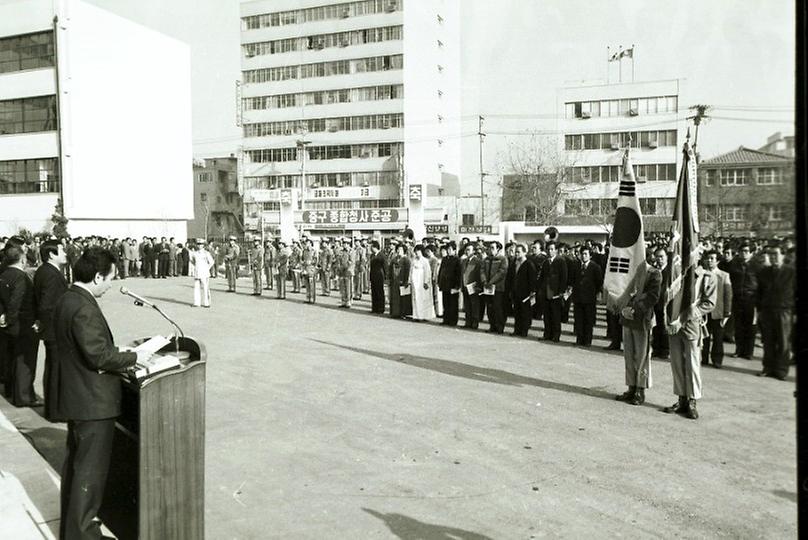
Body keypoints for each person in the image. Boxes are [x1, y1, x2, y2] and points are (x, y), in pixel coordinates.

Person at [51, 247, 151, 540]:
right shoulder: (83, 307)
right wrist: (134, 356)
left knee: (77, 469)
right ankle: (83, 533)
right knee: (89, 473)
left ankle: (74, 530)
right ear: (97, 276)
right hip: (92, 402)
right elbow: (97, 356)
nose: (110, 284)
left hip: (79, 396)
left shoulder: (68, 298)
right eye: (110, 278)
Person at [663, 263, 717, 420]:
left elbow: (709, 303)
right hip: (674, 324)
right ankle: (681, 398)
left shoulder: (707, 276)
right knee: (677, 363)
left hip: (691, 324)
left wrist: (689, 314)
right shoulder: (675, 273)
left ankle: (692, 400)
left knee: (692, 364)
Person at [614, 257, 662, 406]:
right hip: (626, 318)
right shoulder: (627, 269)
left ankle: (640, 389)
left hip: (641, 320)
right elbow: (620, 290)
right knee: (628, 355)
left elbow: (653, 296)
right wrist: (623, 309)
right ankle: (631, 386)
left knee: (642, 356)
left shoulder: (654, 273)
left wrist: (635, 309)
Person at [0, 245, 40, 406]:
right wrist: (10, 318)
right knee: (25, 361)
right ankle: (23, 397)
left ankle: (11, 390)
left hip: (9, 325)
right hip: (23, 323)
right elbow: (16, 300)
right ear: (22, 259)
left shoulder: (3, 274)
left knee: (11, 359)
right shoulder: (21, 277)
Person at [32, 239, 68, 419]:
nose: (65, 253)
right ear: (52, 254)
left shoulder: (45, 271)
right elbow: (47, 305)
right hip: (55, 330)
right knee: (57, 370)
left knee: (53, 368)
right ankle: (55, 412)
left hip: (50, 329)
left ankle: (52, 409)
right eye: (62, 250)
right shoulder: (52, 274)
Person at [755, 244, 794, 380]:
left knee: (783, 342)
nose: (773, 257)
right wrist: (759, 310)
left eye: (775, 254)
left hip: (784, 311)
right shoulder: (764, 272)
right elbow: (759, 293)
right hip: (767, 311)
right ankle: (768, 368)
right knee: (768, 341)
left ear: (783, 256)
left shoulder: (791, 272)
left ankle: (781, 371)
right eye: (770, 255)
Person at [701, 250, 732, 369]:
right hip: (704, 311)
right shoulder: (702, 274)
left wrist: (727, 313)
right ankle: (704, 358)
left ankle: (717, 360)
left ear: (717, 261)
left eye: (712, 259)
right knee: (705, 337)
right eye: (708, 258)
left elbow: (728, 295)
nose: (709, 261)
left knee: (718, 338)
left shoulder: (724, 276)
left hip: (718, 311)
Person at [728, 242, 757, 359]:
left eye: (746, 251)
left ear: (751, 253)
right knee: (738, 326)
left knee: (751, 327)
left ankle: (749, 352)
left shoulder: (756, 266)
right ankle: (739, 350)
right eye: (741, 251)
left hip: (751, 299)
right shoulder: (734, 265)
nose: (743, 253)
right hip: (737, 298)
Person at [571, 246, 603, 347]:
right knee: (579, 320)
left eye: (586, 254)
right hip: (578, 298)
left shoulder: (595, 267)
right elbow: (572, 280)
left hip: (589, 299)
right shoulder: (576, 266)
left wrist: (594, 293)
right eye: (582, 254)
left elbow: (599, 282)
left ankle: (587, 340)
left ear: (590, 256)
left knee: (588, 321)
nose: (584, 256)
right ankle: (579, 339)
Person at [540, 241, 567, 342]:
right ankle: (547, 334)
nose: (550, 251)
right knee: (547, 314)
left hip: (556, 292)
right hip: (546, 291)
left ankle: (556, 335)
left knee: (556, 315)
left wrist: (561, 291)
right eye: (548, 249)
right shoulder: (546, 262)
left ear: (556, 250)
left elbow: (564, 277)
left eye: (552, 249)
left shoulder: (561, 261)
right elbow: (542, 277)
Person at [509, 244, 537, 337]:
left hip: (525, 293)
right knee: (517, 312)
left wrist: (532, 291)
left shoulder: (529, 264)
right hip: (516, 292)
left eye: (518, 252)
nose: (516, 253)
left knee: (525, 313)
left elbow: (532, 279)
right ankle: (517, 329)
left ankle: (524, 331)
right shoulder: (514, 263)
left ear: (524, 252)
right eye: (516, 251)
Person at [480, 241, 508, 334]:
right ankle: (492, 326)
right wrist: (484, 281)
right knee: (490, 307)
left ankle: (500, 327)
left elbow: (501, 272)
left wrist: (491, 282)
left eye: (492, 248)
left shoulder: (503, 259)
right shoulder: (486, 259)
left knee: (498, 308)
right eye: (489, 248)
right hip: (487, 287)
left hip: (498, 288)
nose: (490, 250)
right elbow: (482, 270)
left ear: (498, 249)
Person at [651, 248, 671, 359]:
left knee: (664, 328)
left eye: (662, 256)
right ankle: (656, 348)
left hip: (666, 303)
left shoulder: (670, 271)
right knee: (656, 327)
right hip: (655, 303)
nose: (659, 259)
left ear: (666, 257)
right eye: (657, 256)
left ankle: (665, 350)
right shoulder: (654, 270)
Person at [437, 242, 462, 326]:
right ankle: (446, 319)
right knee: (446, 303)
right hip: (445, 285)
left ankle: (453, 321)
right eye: (447, 249)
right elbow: (441, 271)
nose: (448, 251)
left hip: (453, 285)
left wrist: (457, 285)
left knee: (453, 304)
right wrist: (439, 281)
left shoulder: (457, 260)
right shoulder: (444, 259)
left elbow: (458, 274)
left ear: (454, 250)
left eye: (450, 249)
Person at [410, 245, 435, 321]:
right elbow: (411, 271)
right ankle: (416, 315)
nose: (416, 253)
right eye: (415, 251)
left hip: (421, 282)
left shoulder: (425, 261)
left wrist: (426, 282)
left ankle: (424, 316)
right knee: (415, 298)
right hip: (415, 283)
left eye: (418, 251)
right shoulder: (414, 260)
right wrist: (410, 280)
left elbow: (428, 272)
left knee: (423, 299)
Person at [461, 243, 481, 329]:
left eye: (469, 249)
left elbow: (479, 274)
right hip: (465, 286)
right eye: (466, 249)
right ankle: (468, 322)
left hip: (473, 285)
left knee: (474, 305)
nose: (467, 251)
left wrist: (478, 285)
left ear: (473, 251)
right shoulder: (464, 261)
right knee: (467, 305)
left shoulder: (477, 261)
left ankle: (475, 323)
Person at [189, 239, 214, 308]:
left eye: (201, 244)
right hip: (197, 272)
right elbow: (192, 261)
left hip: (204, 273)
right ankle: (197, 302)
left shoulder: (206, 253)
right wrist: (196, 267)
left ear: (203, 245)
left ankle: (206, 303)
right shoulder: (195, 253)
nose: (200, 246)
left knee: (205, 288)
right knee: (196, 288)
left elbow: (211, 262)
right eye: (198, 244)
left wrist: (207, 268)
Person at [369, 241, 386, 314]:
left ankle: (380, 308)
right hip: (373, 276)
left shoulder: (382, 255)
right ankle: (374, 308)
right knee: (374, 292)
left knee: (379, 292)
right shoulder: (372, 255)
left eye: (371, 247)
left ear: (375, 247)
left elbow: (385, 266)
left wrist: (386, 277)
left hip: (379, 276)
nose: (370, 248)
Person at [336, 238, 354, 308]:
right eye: (343, 243)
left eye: (345, 243)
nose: (344, 245)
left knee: (348, 287)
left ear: (348, 244)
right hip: (341, 271)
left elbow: (351, 261)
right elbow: (338, 260)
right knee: (342, 287)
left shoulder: (351, 251)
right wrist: (339, 267)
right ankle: (343, 301)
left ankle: (348, 301)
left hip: (348, 271)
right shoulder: (341, 251)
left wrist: (345, 267)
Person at [302, 239, 318, 304]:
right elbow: (302, 259)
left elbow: (316, 260)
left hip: (311, 269)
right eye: (306, 243)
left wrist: (311, 262)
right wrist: (303, 263)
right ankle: (308, 297)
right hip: (305, 269)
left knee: (311, 284)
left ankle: (312, 298)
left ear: (311, 244)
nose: (307, 245)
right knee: (307, 284)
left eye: (308, 243)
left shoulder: (314, 251)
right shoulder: (304, 251)